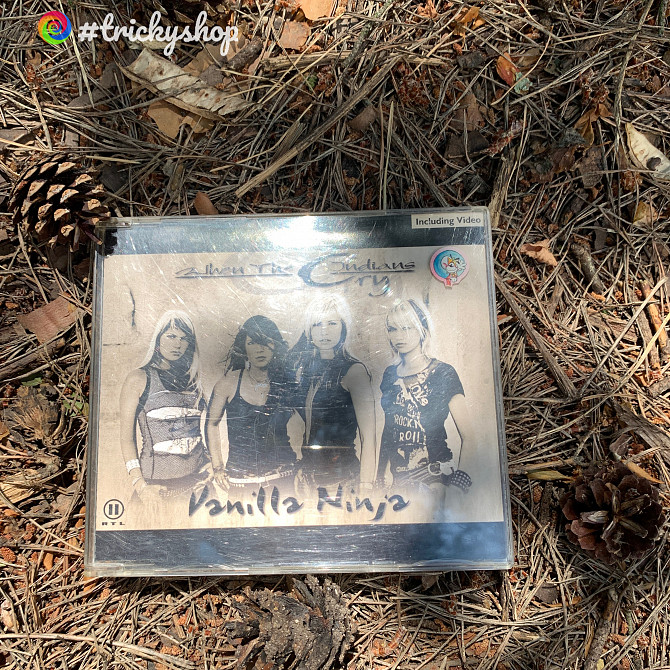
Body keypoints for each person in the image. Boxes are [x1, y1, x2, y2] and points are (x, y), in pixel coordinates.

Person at [377, 299, 473, 492]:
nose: (399, 336)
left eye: (407, 328)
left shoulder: (443, 373)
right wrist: (379, 477)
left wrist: (458, 487)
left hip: (435, 476)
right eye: (393, 329)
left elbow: (469, 436)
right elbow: (388, 431)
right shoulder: (390, 374)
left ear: (422, 329)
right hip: (398, 480)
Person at [289, 295, 376, 492]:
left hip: (344, 479)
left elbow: (368, 436)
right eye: (317, 324)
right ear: (309, 331)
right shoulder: (308, 372)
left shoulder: (355, 371)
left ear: (343, 327)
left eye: (332, 323)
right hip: (310, 479)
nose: (324, 331)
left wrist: (366, 484)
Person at [120, 310, 208, 500]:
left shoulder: (194, 381)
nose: (177, 344)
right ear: (158, 338)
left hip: (198, 487)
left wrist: (208, 462)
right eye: (171, 336)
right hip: (157, 490)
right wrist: (140, 485)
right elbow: (127, 439)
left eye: (184, 339)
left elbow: (194, 433)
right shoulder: (138, 378)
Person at [205, 316, 296, 494]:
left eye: (266, 342)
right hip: (241, 483)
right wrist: (218, 467)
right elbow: (211, 423)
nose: (260, 349)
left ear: (275, 345)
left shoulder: (285, 383)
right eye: (252, 342)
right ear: (243, 347)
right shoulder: (229, 383)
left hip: (283, 479)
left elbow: (314, 419)